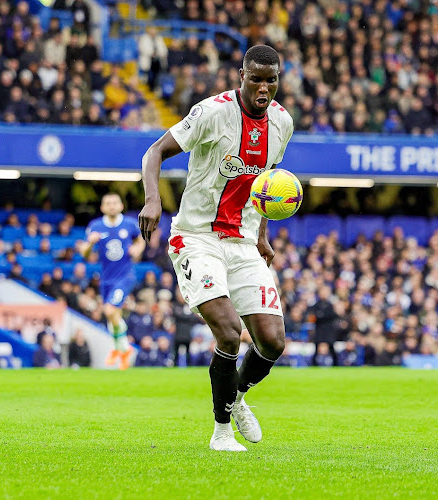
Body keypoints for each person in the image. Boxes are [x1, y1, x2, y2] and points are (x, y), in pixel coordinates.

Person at [139, 45, 294, 451]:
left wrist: (261, 236)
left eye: (271, 80)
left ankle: (238, 396)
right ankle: (221, 430)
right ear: (241, 76)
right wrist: (153, 199)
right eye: (256, 78)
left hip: (243, 241)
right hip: (197, 237)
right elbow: (154, 152)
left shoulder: (282, 124)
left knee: (273, 341)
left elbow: (264, 185)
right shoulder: (212, 112)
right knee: (229, 332)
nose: (263, 87)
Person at [82, 193, 145, 370]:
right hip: (106, 279)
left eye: (114, 202)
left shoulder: (130, 224)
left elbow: (140, 241)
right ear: (102, 207)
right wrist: (89, 244)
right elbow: (85, 254)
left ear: (121, 206)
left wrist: (137, 250)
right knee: (112, 314)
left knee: (110, 310)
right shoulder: (96, 226)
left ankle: (124, 348)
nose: (111, 206)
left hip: (125, 276)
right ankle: (120, 350)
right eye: (107, 203)